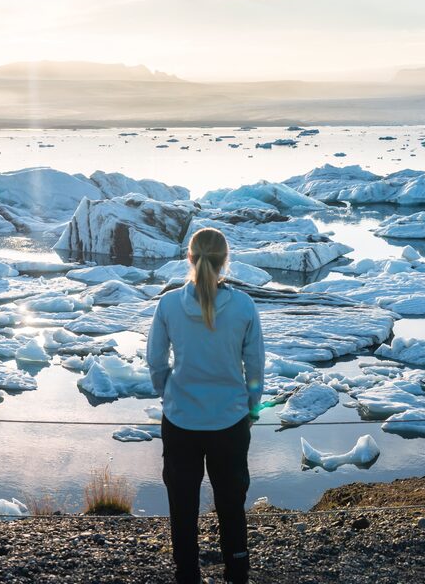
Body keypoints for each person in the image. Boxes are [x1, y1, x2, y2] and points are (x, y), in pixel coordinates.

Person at [146, 227, 265, 584]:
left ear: (189, 258)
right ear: (226, 259)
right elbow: (255, 365)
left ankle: (187, 573)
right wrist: (251, 407)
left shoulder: (168, 304)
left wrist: (168, 395)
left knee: (182, 504)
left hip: (181, 421)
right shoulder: (243, 305)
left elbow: (155, 361)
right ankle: (237, 570)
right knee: (231, 502)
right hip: (229, 422)